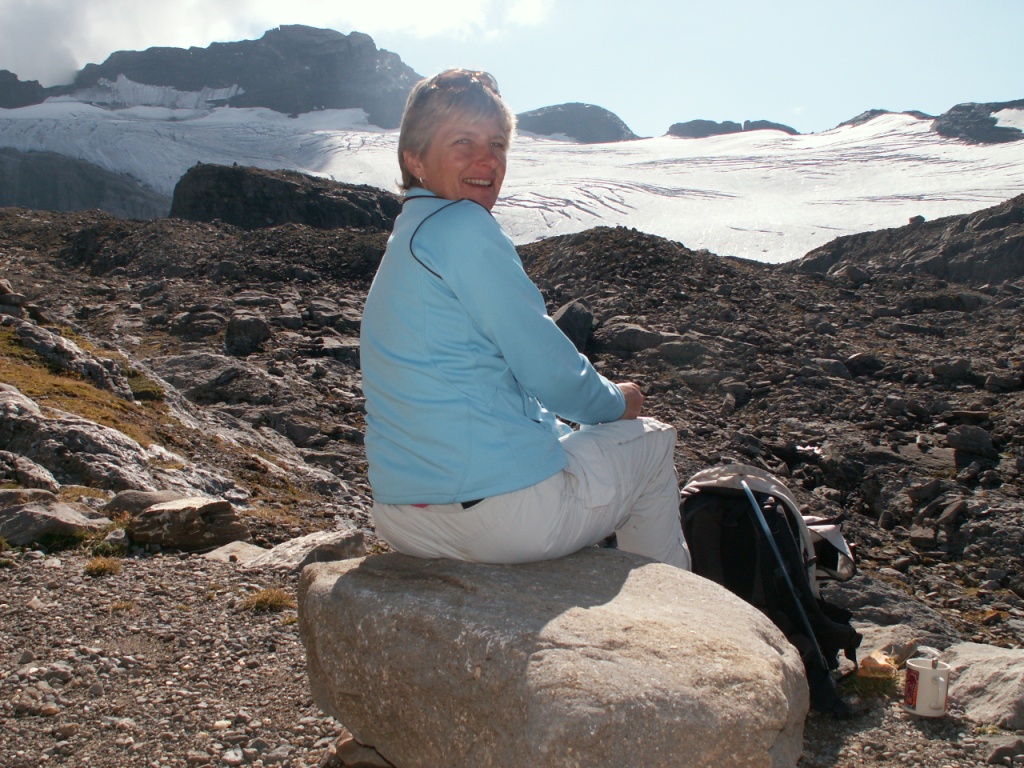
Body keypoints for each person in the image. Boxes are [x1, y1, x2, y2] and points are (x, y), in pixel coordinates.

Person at [359, 68, 690, 570]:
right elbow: (550, 372)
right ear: (415, 159)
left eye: (497, 144)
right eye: (463, 141)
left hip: (405, 517)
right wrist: (617, 401)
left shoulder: (409, 238)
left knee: (569, 448)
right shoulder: (463, 224)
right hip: (500, 516)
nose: (486, 159)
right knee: (652, 440)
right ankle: (675, 609)